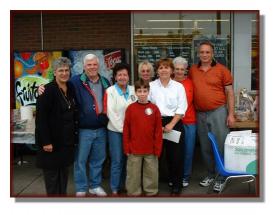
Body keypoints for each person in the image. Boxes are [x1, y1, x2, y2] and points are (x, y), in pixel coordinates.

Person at [38, 53, 110, 197]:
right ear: (84, 67)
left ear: (99, 65)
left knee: (97, 160)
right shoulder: (75, 82)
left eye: (95, 64)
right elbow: (42, 117)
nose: (92, 67)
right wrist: (40, 88)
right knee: (80, 161)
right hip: (81, 131)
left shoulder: (105, 82)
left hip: (96, 130)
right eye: (89, 64)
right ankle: (81, 187)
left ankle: (94, 185)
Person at [189, 41, 235, 192]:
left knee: (221, 145)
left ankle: (222, 177)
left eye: (207, 52)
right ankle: (210, 174)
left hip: (218, 112)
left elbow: (230, 92)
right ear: (198, 54)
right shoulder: (193, 70)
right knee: (205, 147)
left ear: (213, 54)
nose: (204, 55)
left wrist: (231, 114)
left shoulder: (223, 70)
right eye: (202, 52)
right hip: (200, 113)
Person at [35, 57, 78, 196]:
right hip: (51, 143)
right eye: (61, 70)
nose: (64, 73)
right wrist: (46, 141)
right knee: (52, 179)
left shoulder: (70, 87)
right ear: (54, 72)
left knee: (63, 176)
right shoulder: (47, 91)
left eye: (66, 70)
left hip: (66, 142)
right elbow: (41, 119)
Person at [149, 58, 187, 195]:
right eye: (160, 68)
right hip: (155, 124)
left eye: (166, 67)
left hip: (174, 123)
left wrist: (171, 124)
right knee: (154, 157)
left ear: (171, 70)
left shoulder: (179, 87)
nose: (164, 70)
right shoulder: (151, 86)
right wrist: (155, 124)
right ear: (157, 71)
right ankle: (152, 186)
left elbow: (182, 108)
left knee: (175, 156)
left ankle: (176, 185)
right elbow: (147, 107)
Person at [123, 79, 163, 196]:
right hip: (134, 148)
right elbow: (126, 129)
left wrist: (157, 148)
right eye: (139, 91)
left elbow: (158, 131)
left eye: (144, 91)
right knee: (133, 174)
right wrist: (126, 147)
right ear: (135, 92)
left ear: (148, 92)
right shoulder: (131, 108)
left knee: (151, 173)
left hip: (150, 149)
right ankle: (133, 192)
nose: (142, 93)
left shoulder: (154, 109)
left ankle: (151, 191)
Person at [104, 63, 136, 195]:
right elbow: (111, 113)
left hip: (132, 133)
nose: (122, 77)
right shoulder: (110, 91)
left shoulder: (134, 90)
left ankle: (126, 185)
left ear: (129, 76)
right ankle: (115, 188)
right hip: (115, 132)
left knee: (129, 160)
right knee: (117, 160)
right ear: (115, 77)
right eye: (119, 75)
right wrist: (124, 130)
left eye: (125, 74)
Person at [173, 56, 197, 188]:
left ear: (186, 70)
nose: (179, 71)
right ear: (173, 69)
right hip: (174, 122)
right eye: (177, 69)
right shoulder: (169, 83)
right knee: (174, 151)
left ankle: (185, 176)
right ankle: (174, 175)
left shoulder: (190, 83)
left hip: (189, 121)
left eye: (182, 69)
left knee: (188, 150)